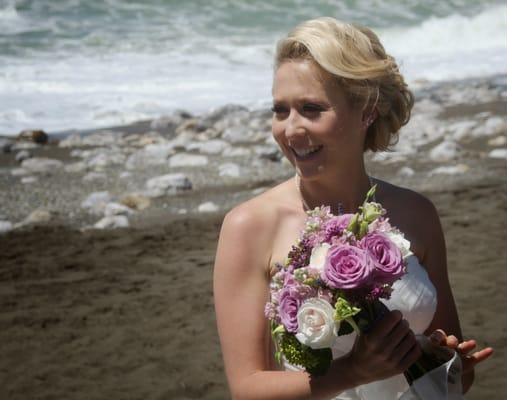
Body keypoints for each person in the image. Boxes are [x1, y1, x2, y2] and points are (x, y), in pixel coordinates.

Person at [213, 17, 493, 399]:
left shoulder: (417, 214)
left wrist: (447, 364)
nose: (290, 129)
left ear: (367, 110)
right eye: (280, 110)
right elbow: (246, 388)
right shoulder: (249, 226)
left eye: (311, 109)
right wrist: (352, 372)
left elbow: (453, 375)